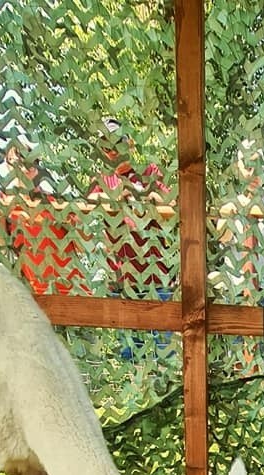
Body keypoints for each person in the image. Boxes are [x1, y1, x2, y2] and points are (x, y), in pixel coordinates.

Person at [88, 119, 175, 360]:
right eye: (107, 146)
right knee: (128, 358)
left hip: (157, 279)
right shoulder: (103, 181)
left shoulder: (149, 173)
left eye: (118, 142)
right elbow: (88, 209)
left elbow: (172, 206)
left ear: (130, 144)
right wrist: (116, 197)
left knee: (163, 357)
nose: (113, 150)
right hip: (122, 281)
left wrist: (144, 195)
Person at [213, 142, 264, 374]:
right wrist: (227, 218)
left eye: (257, 164)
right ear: (238, 168)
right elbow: (222, 239)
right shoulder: (230, 208)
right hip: (237, 296)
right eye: (247, 165)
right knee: (238, 363)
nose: (253, 172)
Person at [1, 145, 85, 296]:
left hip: (72, 292)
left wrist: (73, 223)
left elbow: (83, 246)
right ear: (9, 166)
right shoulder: (7, 207)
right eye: (17, 161)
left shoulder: (56, 202)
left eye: (31, 161)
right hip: (36, 296)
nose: (25, 167)